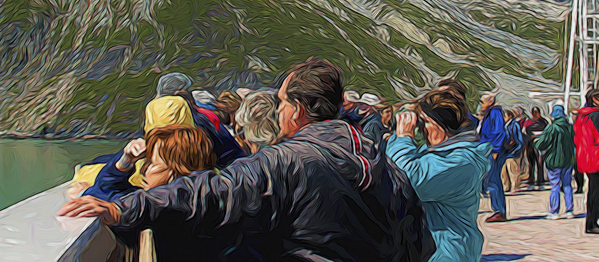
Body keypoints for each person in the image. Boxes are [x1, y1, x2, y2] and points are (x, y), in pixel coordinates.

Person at [59, 57, 436, 262]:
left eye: (283, 102)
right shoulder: (382, 163)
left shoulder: (290, 160)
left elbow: (213, 190)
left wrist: (122, 210)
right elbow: (421, 245)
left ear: (299, 110)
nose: (280, 110)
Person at [387, 88, 491, 262]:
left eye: (425, 122)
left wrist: (403, 137)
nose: (422, 129)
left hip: (448, 253)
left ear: (442, 124)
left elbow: (404, 180)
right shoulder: (442, 155)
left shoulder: (460, 162)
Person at [86, 126, 215, 201]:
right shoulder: (191, 199)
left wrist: (123, 164)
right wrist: (125, 161)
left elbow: (98, 194)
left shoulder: (155, 204)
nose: (143, 170)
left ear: (177, 171)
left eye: (152, 163)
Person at [576, 88, 599, 234]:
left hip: (584, 156)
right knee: (597, 192)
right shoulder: (597, 116)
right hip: (596, 157)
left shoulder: (580, 116)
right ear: (594, 99)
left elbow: (577, 137)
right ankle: (592, 224)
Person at [536, 103, 576, 219]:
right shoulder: (569, 128)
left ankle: (555, 211)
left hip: (554, 161)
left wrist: (536, 143)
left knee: (555, 186)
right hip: (568, 160)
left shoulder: (552, 128)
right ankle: (569, 209)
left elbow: (541, 144)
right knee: (567, 185)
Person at [478, 91, 508, 222]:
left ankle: (499, 210)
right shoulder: (490, 113)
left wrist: (495, 149)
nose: (480, 105)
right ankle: (497, 209)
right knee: (490, 180)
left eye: (482, 102)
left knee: (494, 181)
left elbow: (498, 132)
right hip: (488, 150)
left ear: (489, 102)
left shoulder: (495, 113)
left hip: (492, 151)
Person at [500, 109, 526, 194]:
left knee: (512, 170)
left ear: (510, 116)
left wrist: (516, 149)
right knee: (503, 170)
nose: (504, 118)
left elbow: (519, 140)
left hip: (513, 151)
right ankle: (506, 187)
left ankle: (514, 187)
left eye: (505, 116)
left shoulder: (515, 125)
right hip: (506, 152)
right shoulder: (505, 126)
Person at [522, 107, 548, 189]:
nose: (536, 115)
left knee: (540, 163)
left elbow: (547, 133)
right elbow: (525, 135)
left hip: (541, 146)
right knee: (531, 163)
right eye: (534, 113)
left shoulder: (544, 122)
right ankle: (531, 179)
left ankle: (540, 179)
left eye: (537, 113)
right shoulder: (528, 123)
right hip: (530, 146)